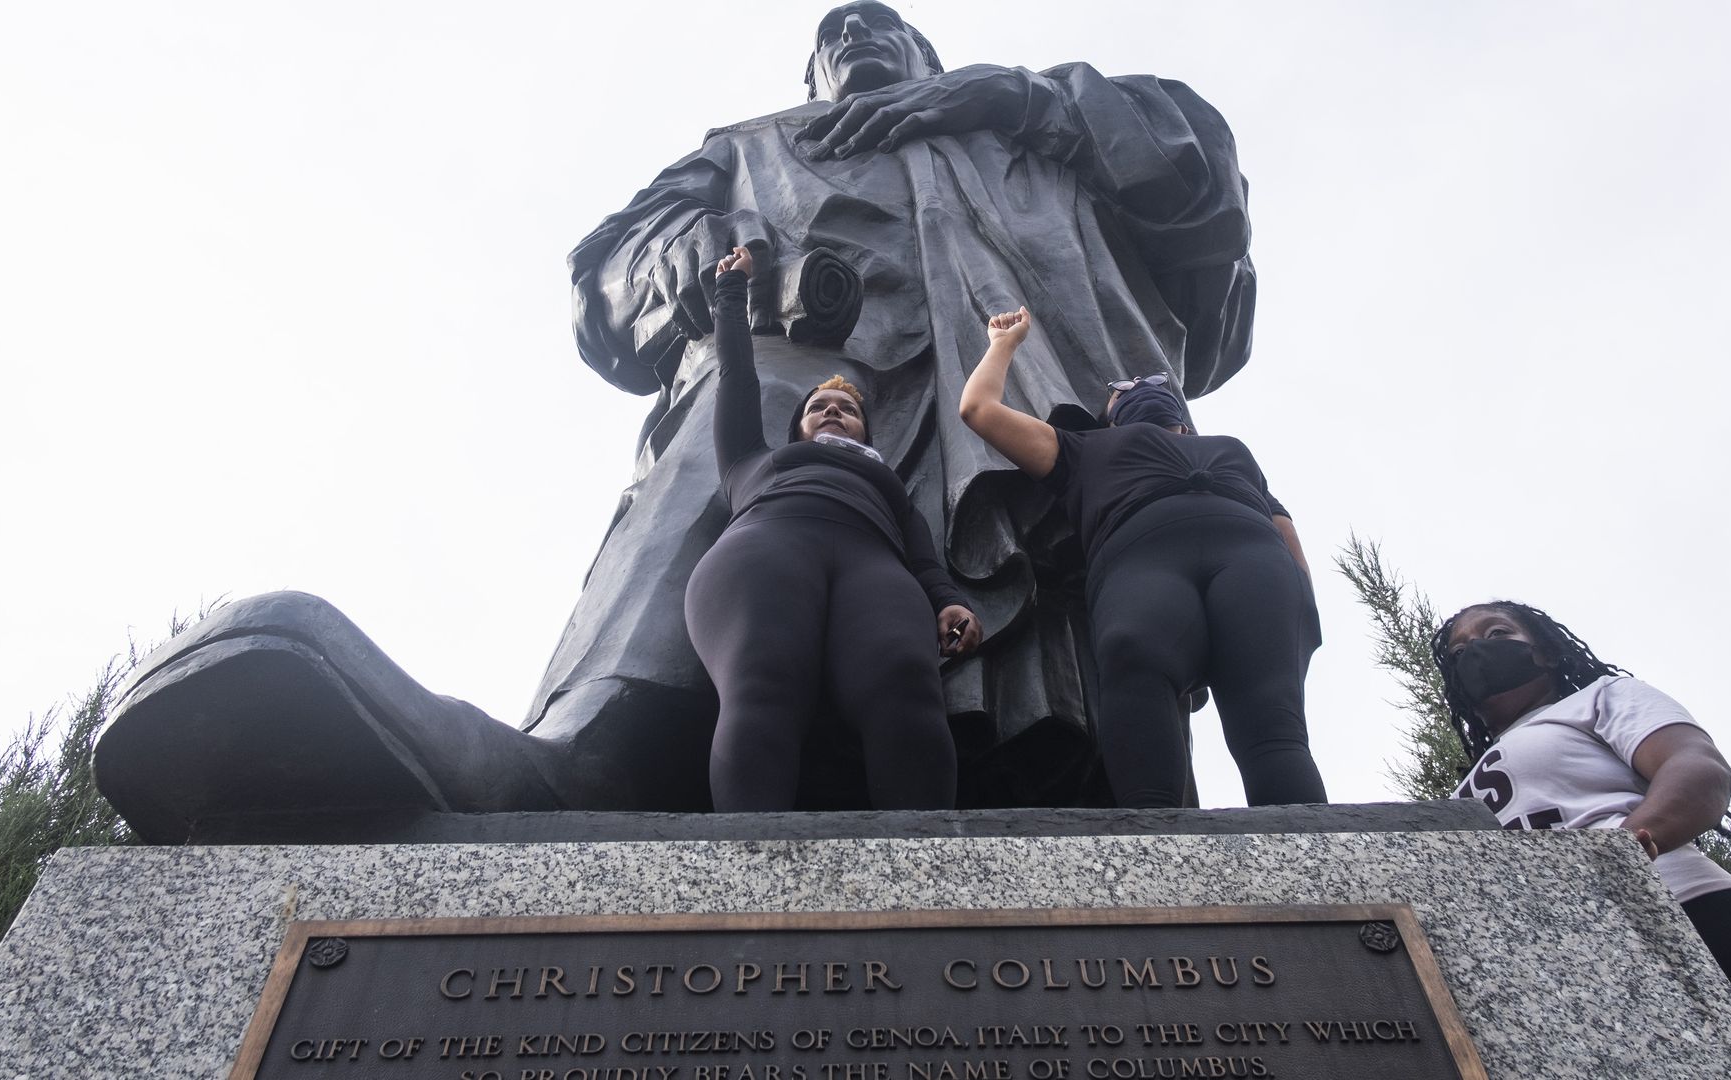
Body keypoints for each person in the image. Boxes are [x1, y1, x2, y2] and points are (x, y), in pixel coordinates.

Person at [533, 1, 1260, 808]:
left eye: (880, 22)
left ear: (927, 54)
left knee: (1092, 471)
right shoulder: (749, 147)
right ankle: (606, 733)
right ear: (810, 78)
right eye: (832, 33)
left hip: (1014, 387)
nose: (854, 35)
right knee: (755, 396)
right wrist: (697, 255)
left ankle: (1121, 789)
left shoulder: (1025, 118)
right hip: (810, 375)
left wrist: (1020, 100)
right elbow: (603, 283)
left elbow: (1206, 209)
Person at [957, 307, 1326, 808]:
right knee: (1136, 669)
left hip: (1254, 566)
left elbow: (1280, 520)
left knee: (1273, 727)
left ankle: (1311, 869)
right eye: (1121, 388)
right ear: (1110, 416)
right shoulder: (1083, 449)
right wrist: (1004, 344)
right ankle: (1153, 857)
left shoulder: (1231, 448)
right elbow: (979, 410)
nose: (1137, 386)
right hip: (1141, 567)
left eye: (1151, 382)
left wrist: (1303, 595)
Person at [1434, 601, 1731, 1079]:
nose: (1475, 652)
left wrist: (1624, 848)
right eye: (1458, 651)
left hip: (1686, 909)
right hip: (1563, 961)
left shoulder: (1599, 698)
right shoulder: (1459, 791)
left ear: (1546, 653)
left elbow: (1698, 770)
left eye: (1495, 633)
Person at [691, 248, 978, 810]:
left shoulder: (890, 488)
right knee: (761, 683)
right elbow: (737, 376)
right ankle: (748, 872)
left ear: (865, 433)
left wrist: (948, 601)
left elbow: (922, 560)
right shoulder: (749, 459)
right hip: (766, 549)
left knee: (907, 686)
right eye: (817, 405)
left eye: (846, 410)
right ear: (797, 426)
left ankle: (924, 872)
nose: (831, 411)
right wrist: (731, 292)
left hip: (873, 566)